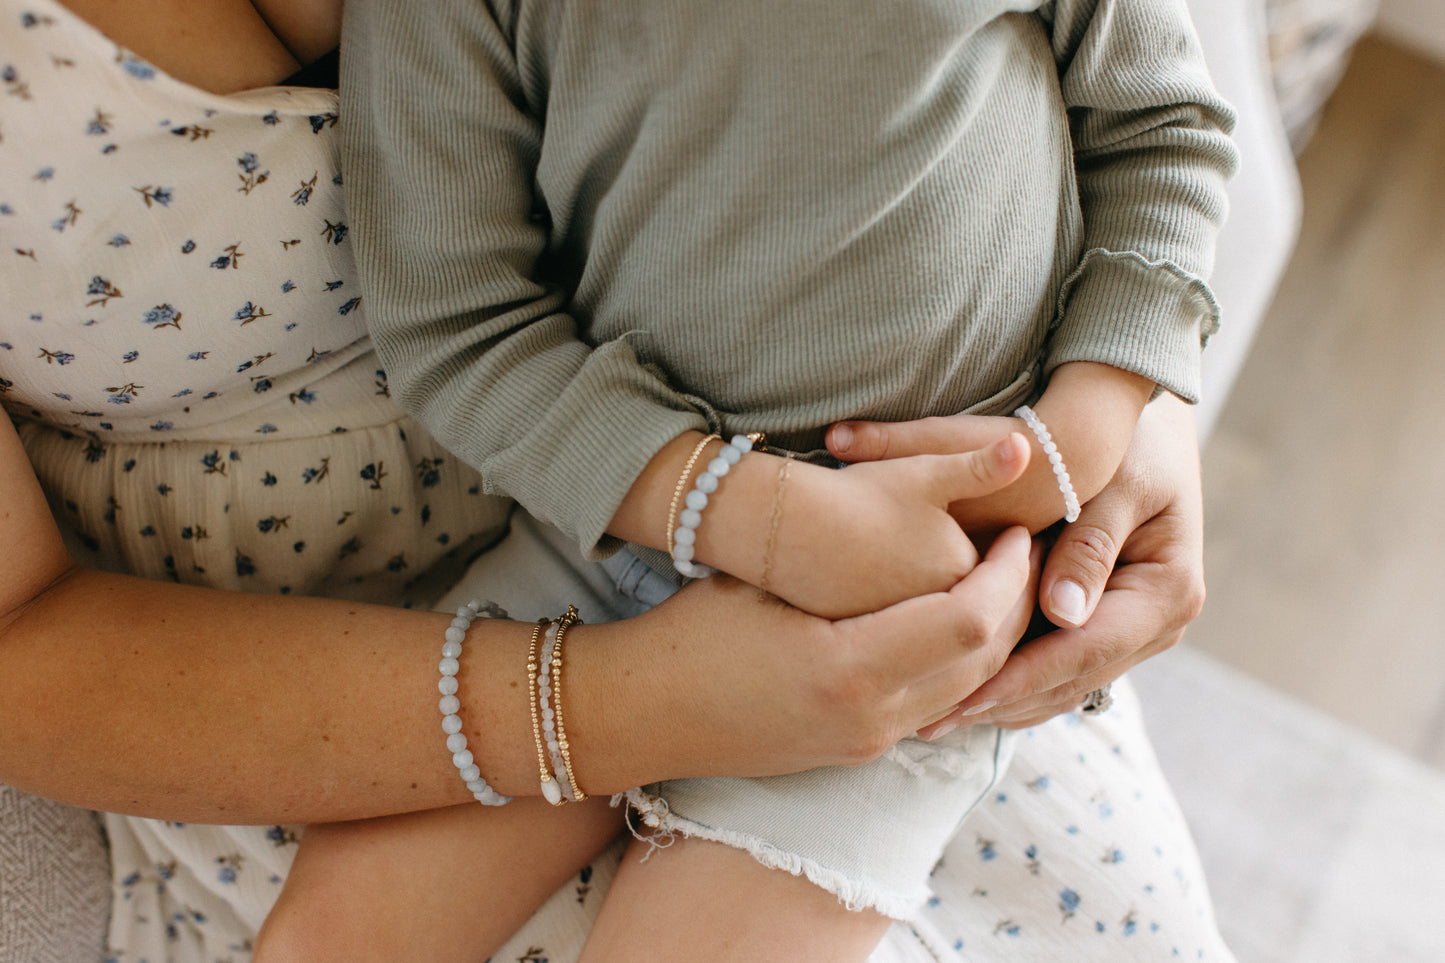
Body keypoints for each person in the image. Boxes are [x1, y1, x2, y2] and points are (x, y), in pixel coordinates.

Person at [0, 2, 1226, 961]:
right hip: (590, 530)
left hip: (926, 606)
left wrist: (1099, 424)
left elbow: (1162, 129)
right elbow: (459, 321)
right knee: (329, 942)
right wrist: (739, 516)